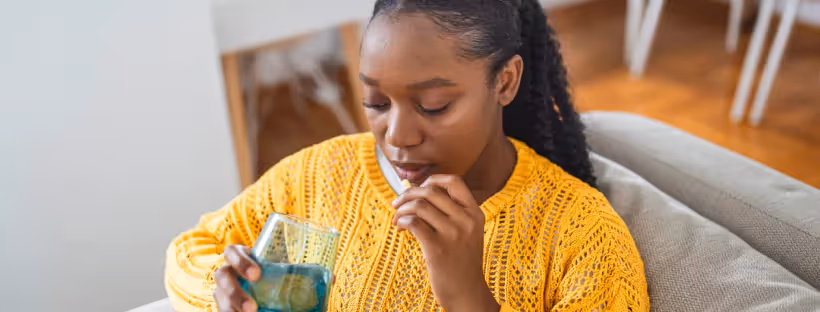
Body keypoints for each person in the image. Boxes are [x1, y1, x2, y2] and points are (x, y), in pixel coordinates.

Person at [164, 0, 650, 311]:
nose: (396, 136)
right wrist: (221, 286)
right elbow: (190, 248)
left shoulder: (582, 236)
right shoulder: (321, 174)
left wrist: (467, 296)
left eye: (433, 106)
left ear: (504, 81)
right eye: (375, 102)